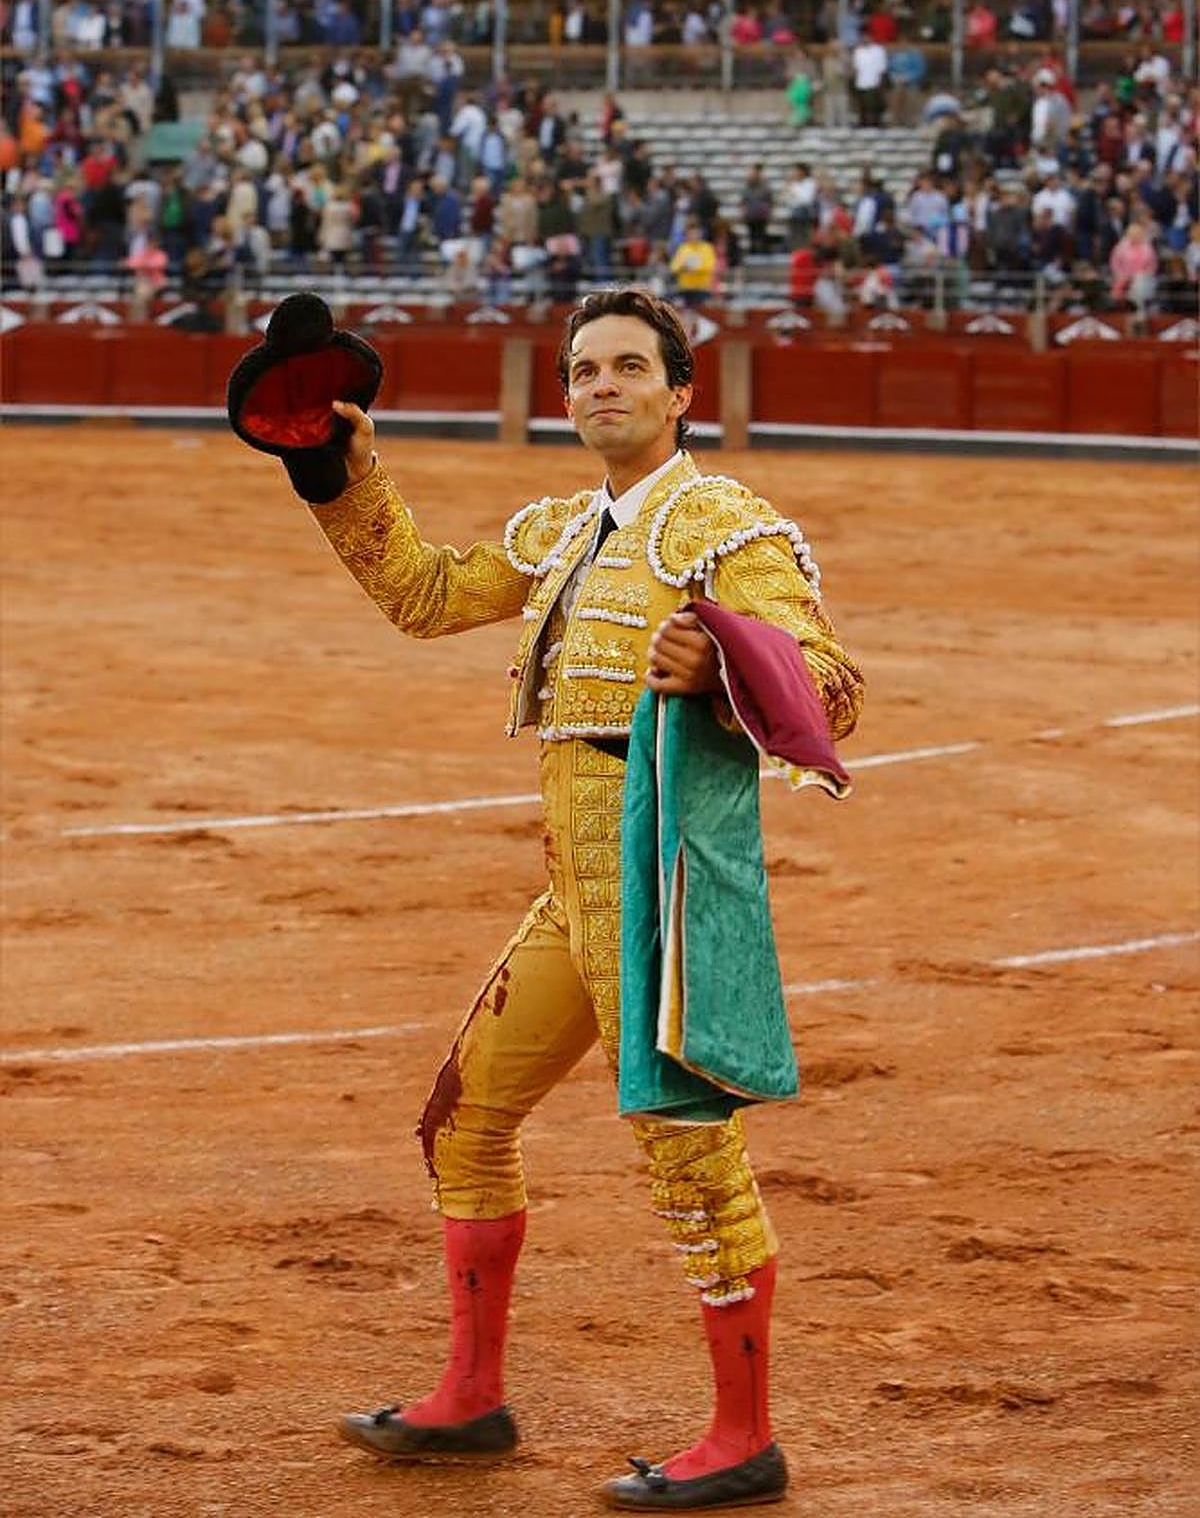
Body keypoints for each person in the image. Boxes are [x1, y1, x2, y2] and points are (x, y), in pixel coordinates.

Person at [289, 286, 862, 1509]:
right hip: (572, 891)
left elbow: (829, 681)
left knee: (689, 1155)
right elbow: (425, 594)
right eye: (581, 370)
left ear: (677, 390)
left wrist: (722, 665)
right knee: (463, 1121)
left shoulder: (719, 524)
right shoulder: (560, 528)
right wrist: (340, 477)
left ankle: (744, 1434)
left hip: (658, 884)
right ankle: (470, 1395)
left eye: (625, 367)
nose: (600, 385)